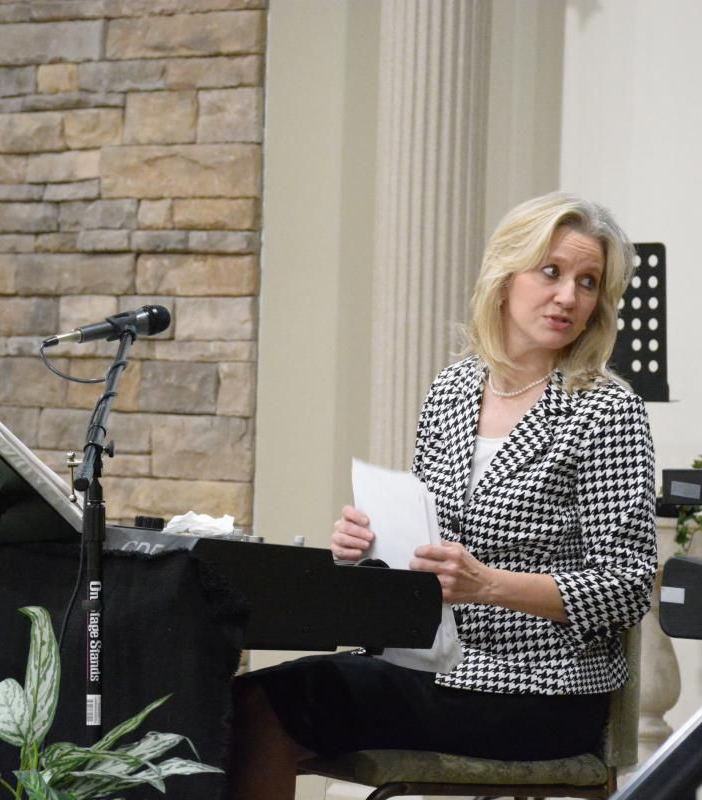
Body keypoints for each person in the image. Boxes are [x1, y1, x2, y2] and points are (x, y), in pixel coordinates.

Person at [227, 192, 658, 800]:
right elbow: (428, 546)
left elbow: (629, 584)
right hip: (424, 660)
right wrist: (370, 548)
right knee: (239, 702)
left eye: (588, 282)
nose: (568, 296)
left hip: (540, 693)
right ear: (506, 279)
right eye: (552, 272)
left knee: (263, 708)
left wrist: (491, 584)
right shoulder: (453, 389)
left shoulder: (608, 410)